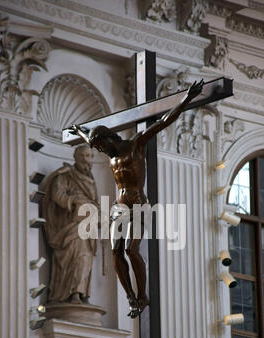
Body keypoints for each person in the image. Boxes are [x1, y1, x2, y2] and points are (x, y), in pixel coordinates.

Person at [70, 79, 204, 318]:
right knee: (115, 251)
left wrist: (187, 98)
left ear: (109, 139)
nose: (101, 152)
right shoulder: (108, 152)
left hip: (138, 204)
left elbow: (164, 121)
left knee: (132, 250)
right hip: (119, 207)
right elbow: (88, 137)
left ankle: (142, 295)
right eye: (97, 148)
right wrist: (79, 130)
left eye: (100, 147)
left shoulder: (135, 145)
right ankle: (130, 297)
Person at [42, 144, 99, 304]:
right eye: (83, 156)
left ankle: (81, 293)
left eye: (89, 156)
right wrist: (74, 201)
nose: (87, 160)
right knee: (76, 256)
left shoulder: (92, 181)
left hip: (88, 224)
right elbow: (57, 194)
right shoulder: (65, 176)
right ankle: (72, 293)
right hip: (72, 224)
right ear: (75, 158)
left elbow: (96, 202)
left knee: (86, 258)